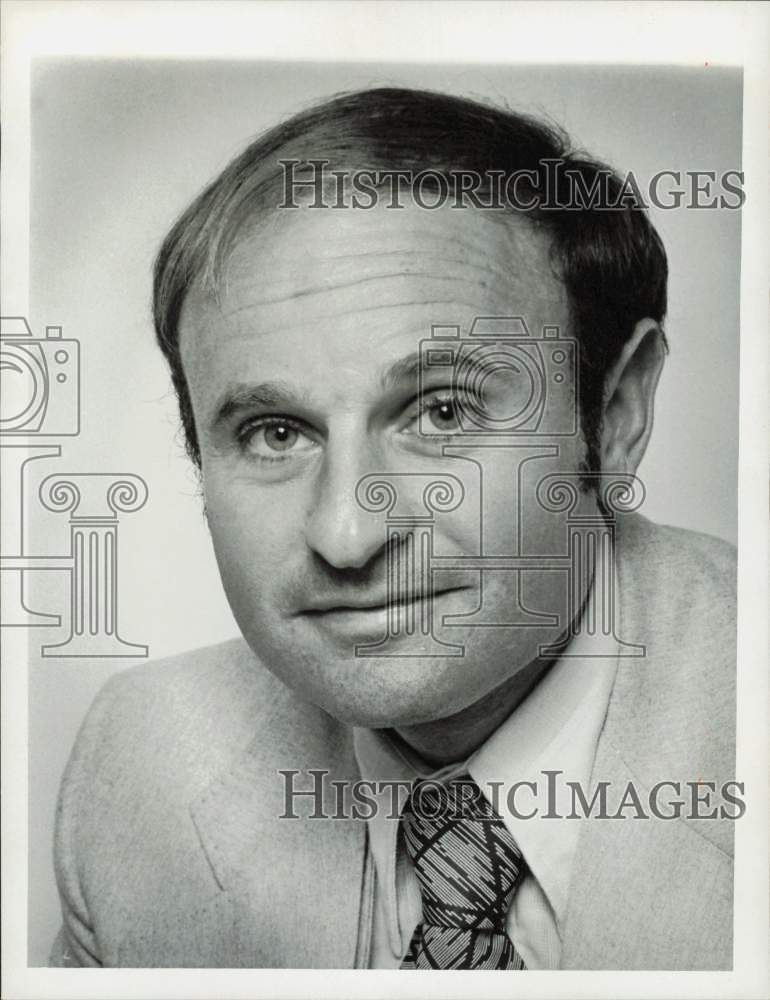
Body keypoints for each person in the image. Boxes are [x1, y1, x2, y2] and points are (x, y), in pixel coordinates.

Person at [50, 87, 737, 970]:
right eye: (276, 433)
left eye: (443, 412)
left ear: (615, 414)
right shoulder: (138, 761)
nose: (345, 534)